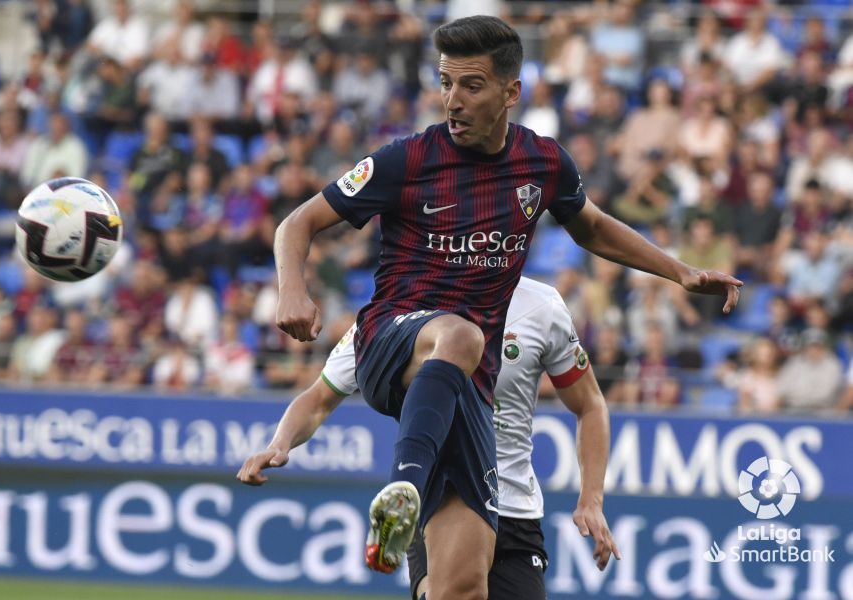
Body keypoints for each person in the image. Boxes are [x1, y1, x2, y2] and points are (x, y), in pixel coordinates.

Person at [271, 16, 740, 599]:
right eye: (445, 83)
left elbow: (590, 226)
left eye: (470, 86)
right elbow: (299, 222)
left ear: (511, 92)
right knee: (461, 336)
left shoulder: (542, 164)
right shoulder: (407, 160)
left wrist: (680, 270)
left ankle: (413, 507)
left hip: (468, 386)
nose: (452, 100)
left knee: (462, 590)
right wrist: (293, 290)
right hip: (393, 339)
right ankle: (401, 499)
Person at [238, 277, 621, 599]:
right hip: (442, 498)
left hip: (514, 510)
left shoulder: (541, 305)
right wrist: (279, 443)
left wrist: (592, 499)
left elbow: (590, 405)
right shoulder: (396, 309)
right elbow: (320, 397)